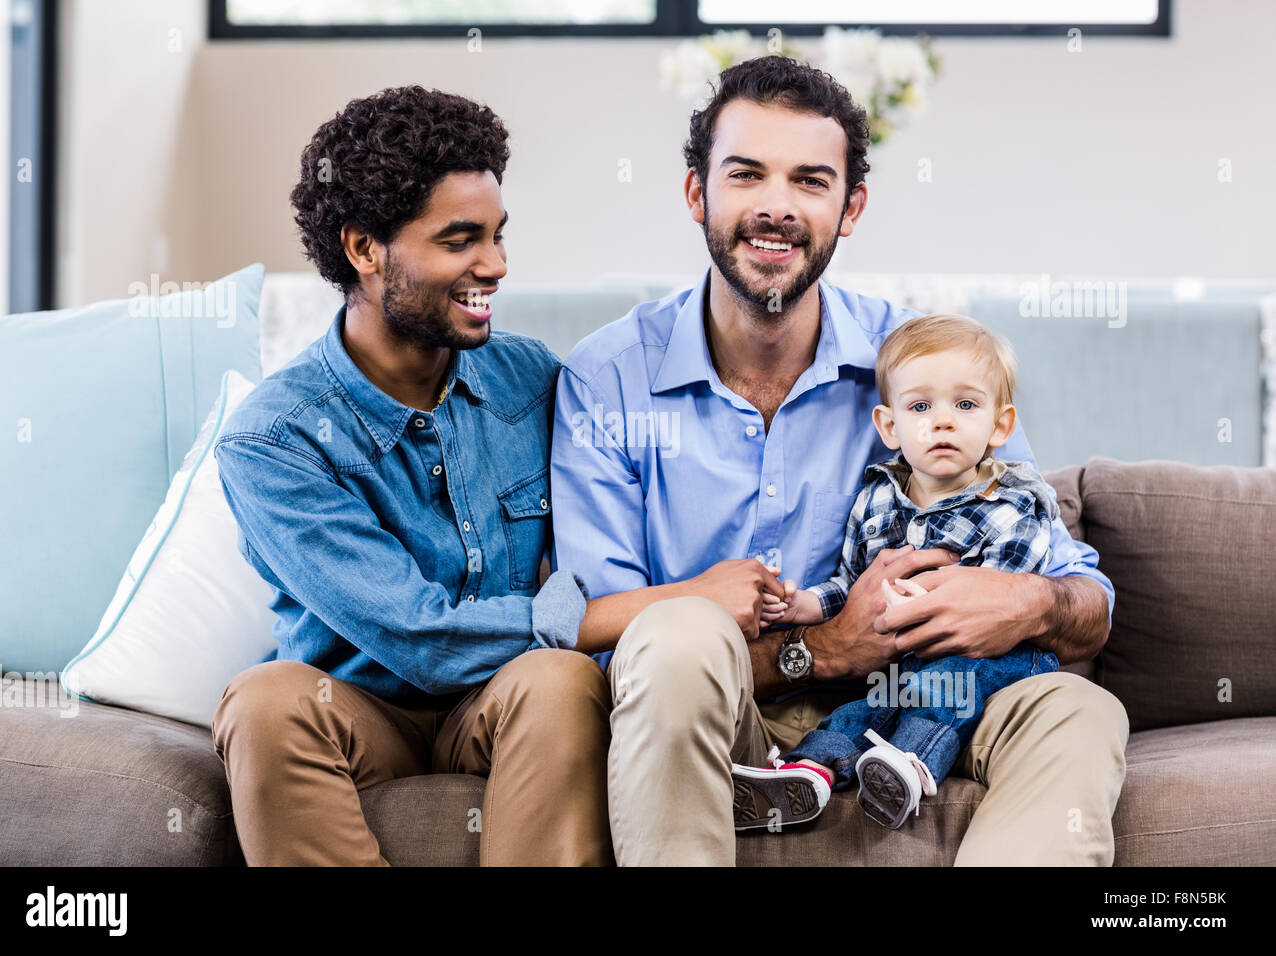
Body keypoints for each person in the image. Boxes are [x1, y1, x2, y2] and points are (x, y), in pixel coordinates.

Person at [550, 56, 1129, 866]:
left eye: (810, 181)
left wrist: (1027, 601)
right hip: (727, 708)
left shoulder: (925, 369)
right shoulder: (608, 378)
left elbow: (1087, 597)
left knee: (1077, 709)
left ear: (850, 206)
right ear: (697, 195)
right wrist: (824, 649)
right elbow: (611, 648)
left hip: (924, 702)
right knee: (673, 633)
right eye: (746, 174)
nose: (776, 208)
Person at [210, 86, 613, 866]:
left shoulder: (530, 380)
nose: (494, 265)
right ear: (364, 249)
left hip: (502, 705)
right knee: (263, 702)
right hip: (359, 714)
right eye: (461, 239)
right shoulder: (274, 438)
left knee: (560, 680)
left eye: (497, 236)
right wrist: (602, 614)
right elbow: (418, 636)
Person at [733, 312, 1063, 831]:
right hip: (894, 665)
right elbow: (851, 583)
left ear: (1001, 424)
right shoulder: (876, 499)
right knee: (858, 711)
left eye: (966, 404)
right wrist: (808, 605)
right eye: (920, 406)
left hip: (988, 662)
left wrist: (922, 599)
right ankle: (808, 774)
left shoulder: (1015, 503)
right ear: (890, 426)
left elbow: (1005, 588)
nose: (944, 420)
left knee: (940, 690)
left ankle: (907, 768)